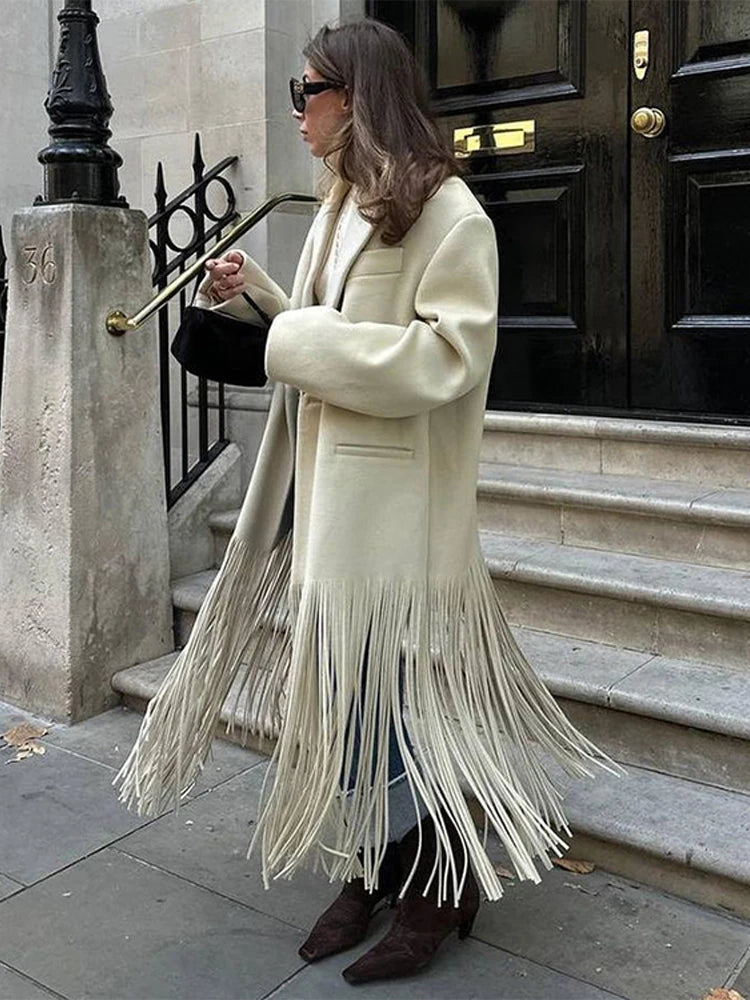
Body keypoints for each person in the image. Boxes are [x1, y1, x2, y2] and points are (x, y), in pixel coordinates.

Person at [115, 18, 619, 986]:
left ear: (358, 93)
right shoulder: (346, 200)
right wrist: (252, 289)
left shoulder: (452, 214)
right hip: (320, 486)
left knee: (385, 704)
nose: (296, 113)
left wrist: (284, 341)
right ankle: (380, 861)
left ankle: (438, 877)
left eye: (306, 91)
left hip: (390, 503)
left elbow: (446, 356)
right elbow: (325, 329)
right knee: (347, 702)